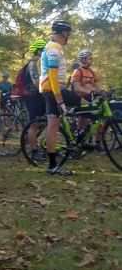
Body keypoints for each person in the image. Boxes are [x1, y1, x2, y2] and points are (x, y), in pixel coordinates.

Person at [40, 19, 81, 176]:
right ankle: (53, 164)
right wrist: (59, 99)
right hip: (52, 90)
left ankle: (53, 163)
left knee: (54, 125)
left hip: (51, 89)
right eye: (68, 34)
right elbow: (52, 76)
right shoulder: (53, 48)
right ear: (63, 33)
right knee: (54, 125)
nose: (68, 37)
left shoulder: (54, 47)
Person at [24, 38, 47, 158]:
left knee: (44, 122)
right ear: (38, 51)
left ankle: (32, 141)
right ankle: (34, 151)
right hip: (33, 97)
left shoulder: (40, 63)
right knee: (34, 125)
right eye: (44, 50)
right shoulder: (33, 64)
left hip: (40, 96)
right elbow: (35, 82)